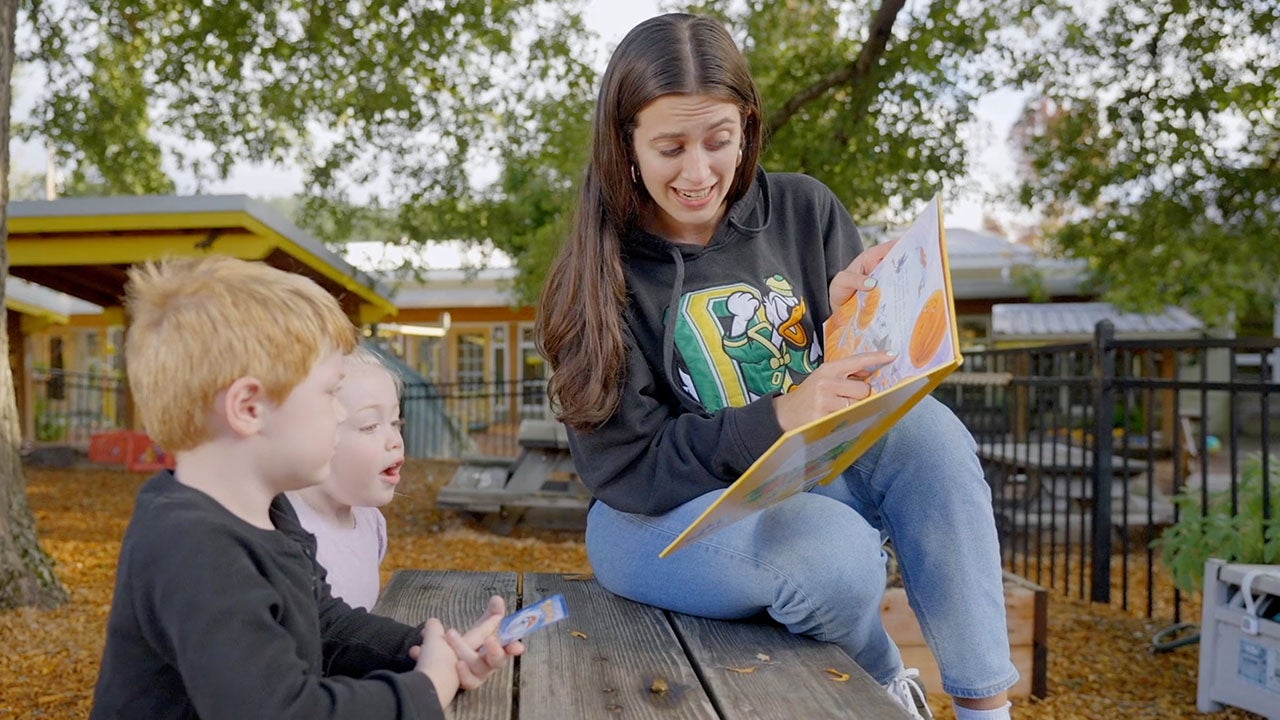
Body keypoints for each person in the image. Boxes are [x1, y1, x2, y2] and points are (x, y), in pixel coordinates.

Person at [534, 13, 1015, 720]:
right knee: (837, 556)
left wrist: (850, 323)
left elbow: (852, 397)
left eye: (718, 141)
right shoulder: (597, 271)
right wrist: (781, 414)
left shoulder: (803, 209)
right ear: (625, 142)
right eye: (670, 146)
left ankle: (986, 710)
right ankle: (887, 682)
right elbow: (627, 468)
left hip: (808, 477)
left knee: (934, 434)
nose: (698, 173)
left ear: (747, 128)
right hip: (659, 520)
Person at [91, 255, 522, 720]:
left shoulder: (268, 512)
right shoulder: (192, 549)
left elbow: (323, 623)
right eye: (327, 393)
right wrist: (425, 690)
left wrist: (426, 650)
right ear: (249, 408)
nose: (339, 415)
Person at [287, 345, 404, 610]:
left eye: (395, 422)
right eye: (370, 425)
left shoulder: (370, 521)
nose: (395, 441)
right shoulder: (284, 536)